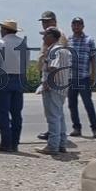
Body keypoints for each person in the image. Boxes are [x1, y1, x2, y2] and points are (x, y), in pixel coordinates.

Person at [0, 19, 27, 153]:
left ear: (5, 30)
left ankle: (6, 142)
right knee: (16, 112)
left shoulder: (0, 43)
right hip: (19, 77)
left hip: (4, 77)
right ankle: (15, 142)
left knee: (3, 112)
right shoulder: (22, 43)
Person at [36, 27, 72, 155]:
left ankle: (53, 145)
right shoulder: (65, 50)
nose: (43, 38)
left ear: (51, 36)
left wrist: (46, 83)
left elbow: (53, 67)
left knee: (53, 117)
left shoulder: (54, 50)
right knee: (59, 116)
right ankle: (61, 143)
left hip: (53, 87)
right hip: (62, 86)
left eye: (45, 35)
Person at [67, 17, 96, 138]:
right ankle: (77, 128)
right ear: (71, 26)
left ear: (83, 26)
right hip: (71, 77)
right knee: (72, 104)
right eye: (74, 24)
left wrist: (93, 74)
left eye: (78, 24)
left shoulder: (89, 40)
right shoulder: (68, 40)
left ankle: (95, 129)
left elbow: (93, 58)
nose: (76, 27)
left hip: (83, 77)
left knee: (88, 104)